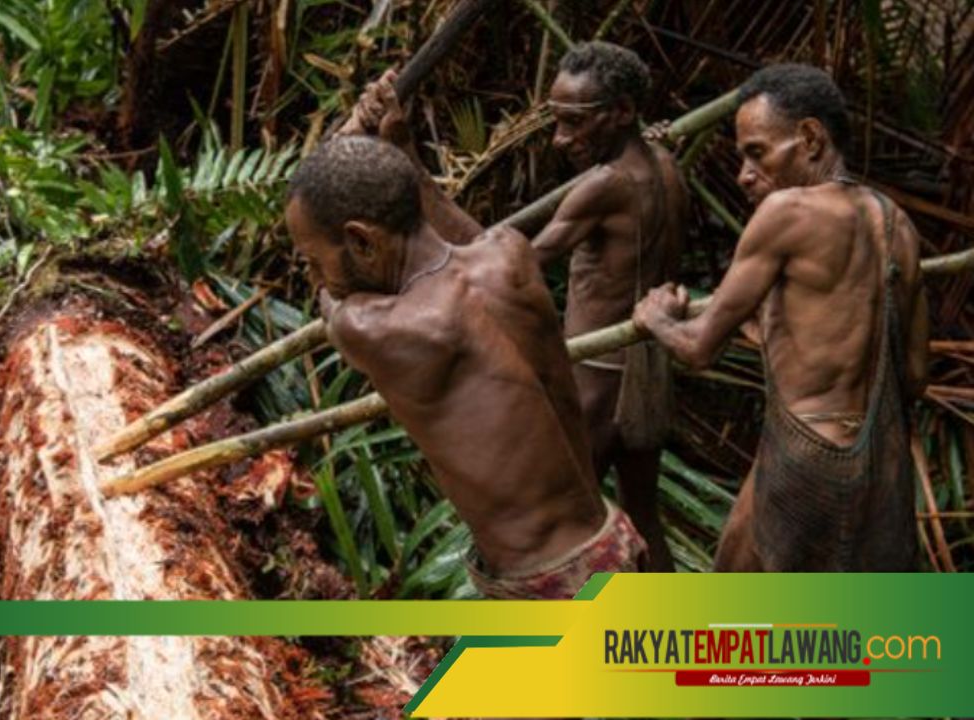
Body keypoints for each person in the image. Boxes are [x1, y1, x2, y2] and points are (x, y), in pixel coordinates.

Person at [344, 42, 686, 571]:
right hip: (649, 368)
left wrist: (408, 159)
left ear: (622, 112)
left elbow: (501, 264)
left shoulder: (605, 186)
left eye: (576, 123)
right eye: (557, 121)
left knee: (562, 536)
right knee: (642, 515)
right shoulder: (664, 164)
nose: (561, 139)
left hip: (600, 380)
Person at [286, 135, 647, 599]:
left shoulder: (379, 328)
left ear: (360, 239)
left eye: (314, 260)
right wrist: (400, 151)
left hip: (551, 584)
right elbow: (456, 237)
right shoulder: (510, 254)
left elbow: (332, 307)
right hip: (608, 538)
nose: (317, 277)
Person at [633, 63, 929, 571]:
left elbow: (700, 347)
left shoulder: (786, 212)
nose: (744, 175)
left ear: (811, 138)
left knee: (746, 624)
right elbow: (916, 377)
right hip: (883, 463)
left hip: (806, 455)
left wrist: (655, 317)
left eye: (757, 152)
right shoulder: (899, 225)